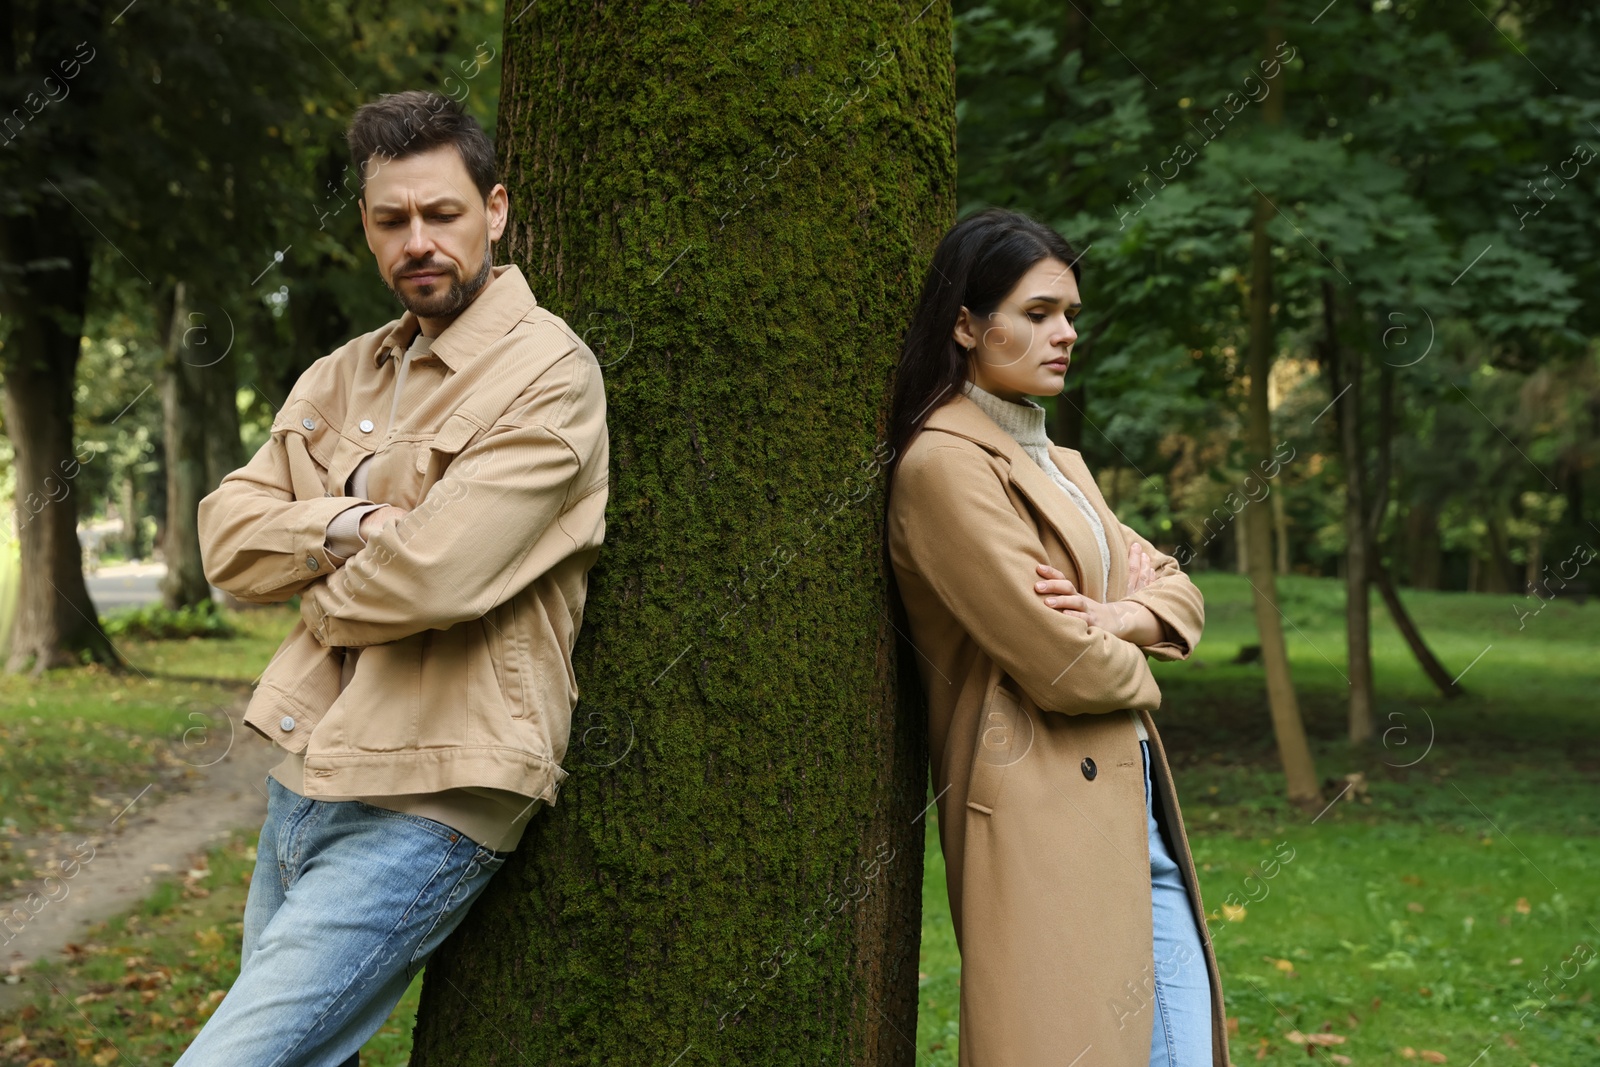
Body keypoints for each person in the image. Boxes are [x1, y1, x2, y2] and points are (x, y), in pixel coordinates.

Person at [185, 90, 609, 1064]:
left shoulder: (550, 374)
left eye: (442, 214)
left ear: (494, 210)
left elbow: (430, 578)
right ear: (369, 229)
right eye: (391, 220)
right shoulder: (339, 375)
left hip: (435, 791)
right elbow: (223, 543)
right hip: (307, 770)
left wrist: (307, 567)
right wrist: (354, 519)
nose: (418, 240)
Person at [885, 208, 1227, 1066]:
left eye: (1070, 314)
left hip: (1134, 808)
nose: (1065, 334)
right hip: (1041, 817)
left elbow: (1182, 594)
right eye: (1037, 314)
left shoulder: (1064, 464)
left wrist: (1117, 614)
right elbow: (1065, 667)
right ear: (967, 324)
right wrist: (1137, 654)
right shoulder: (942, 467)